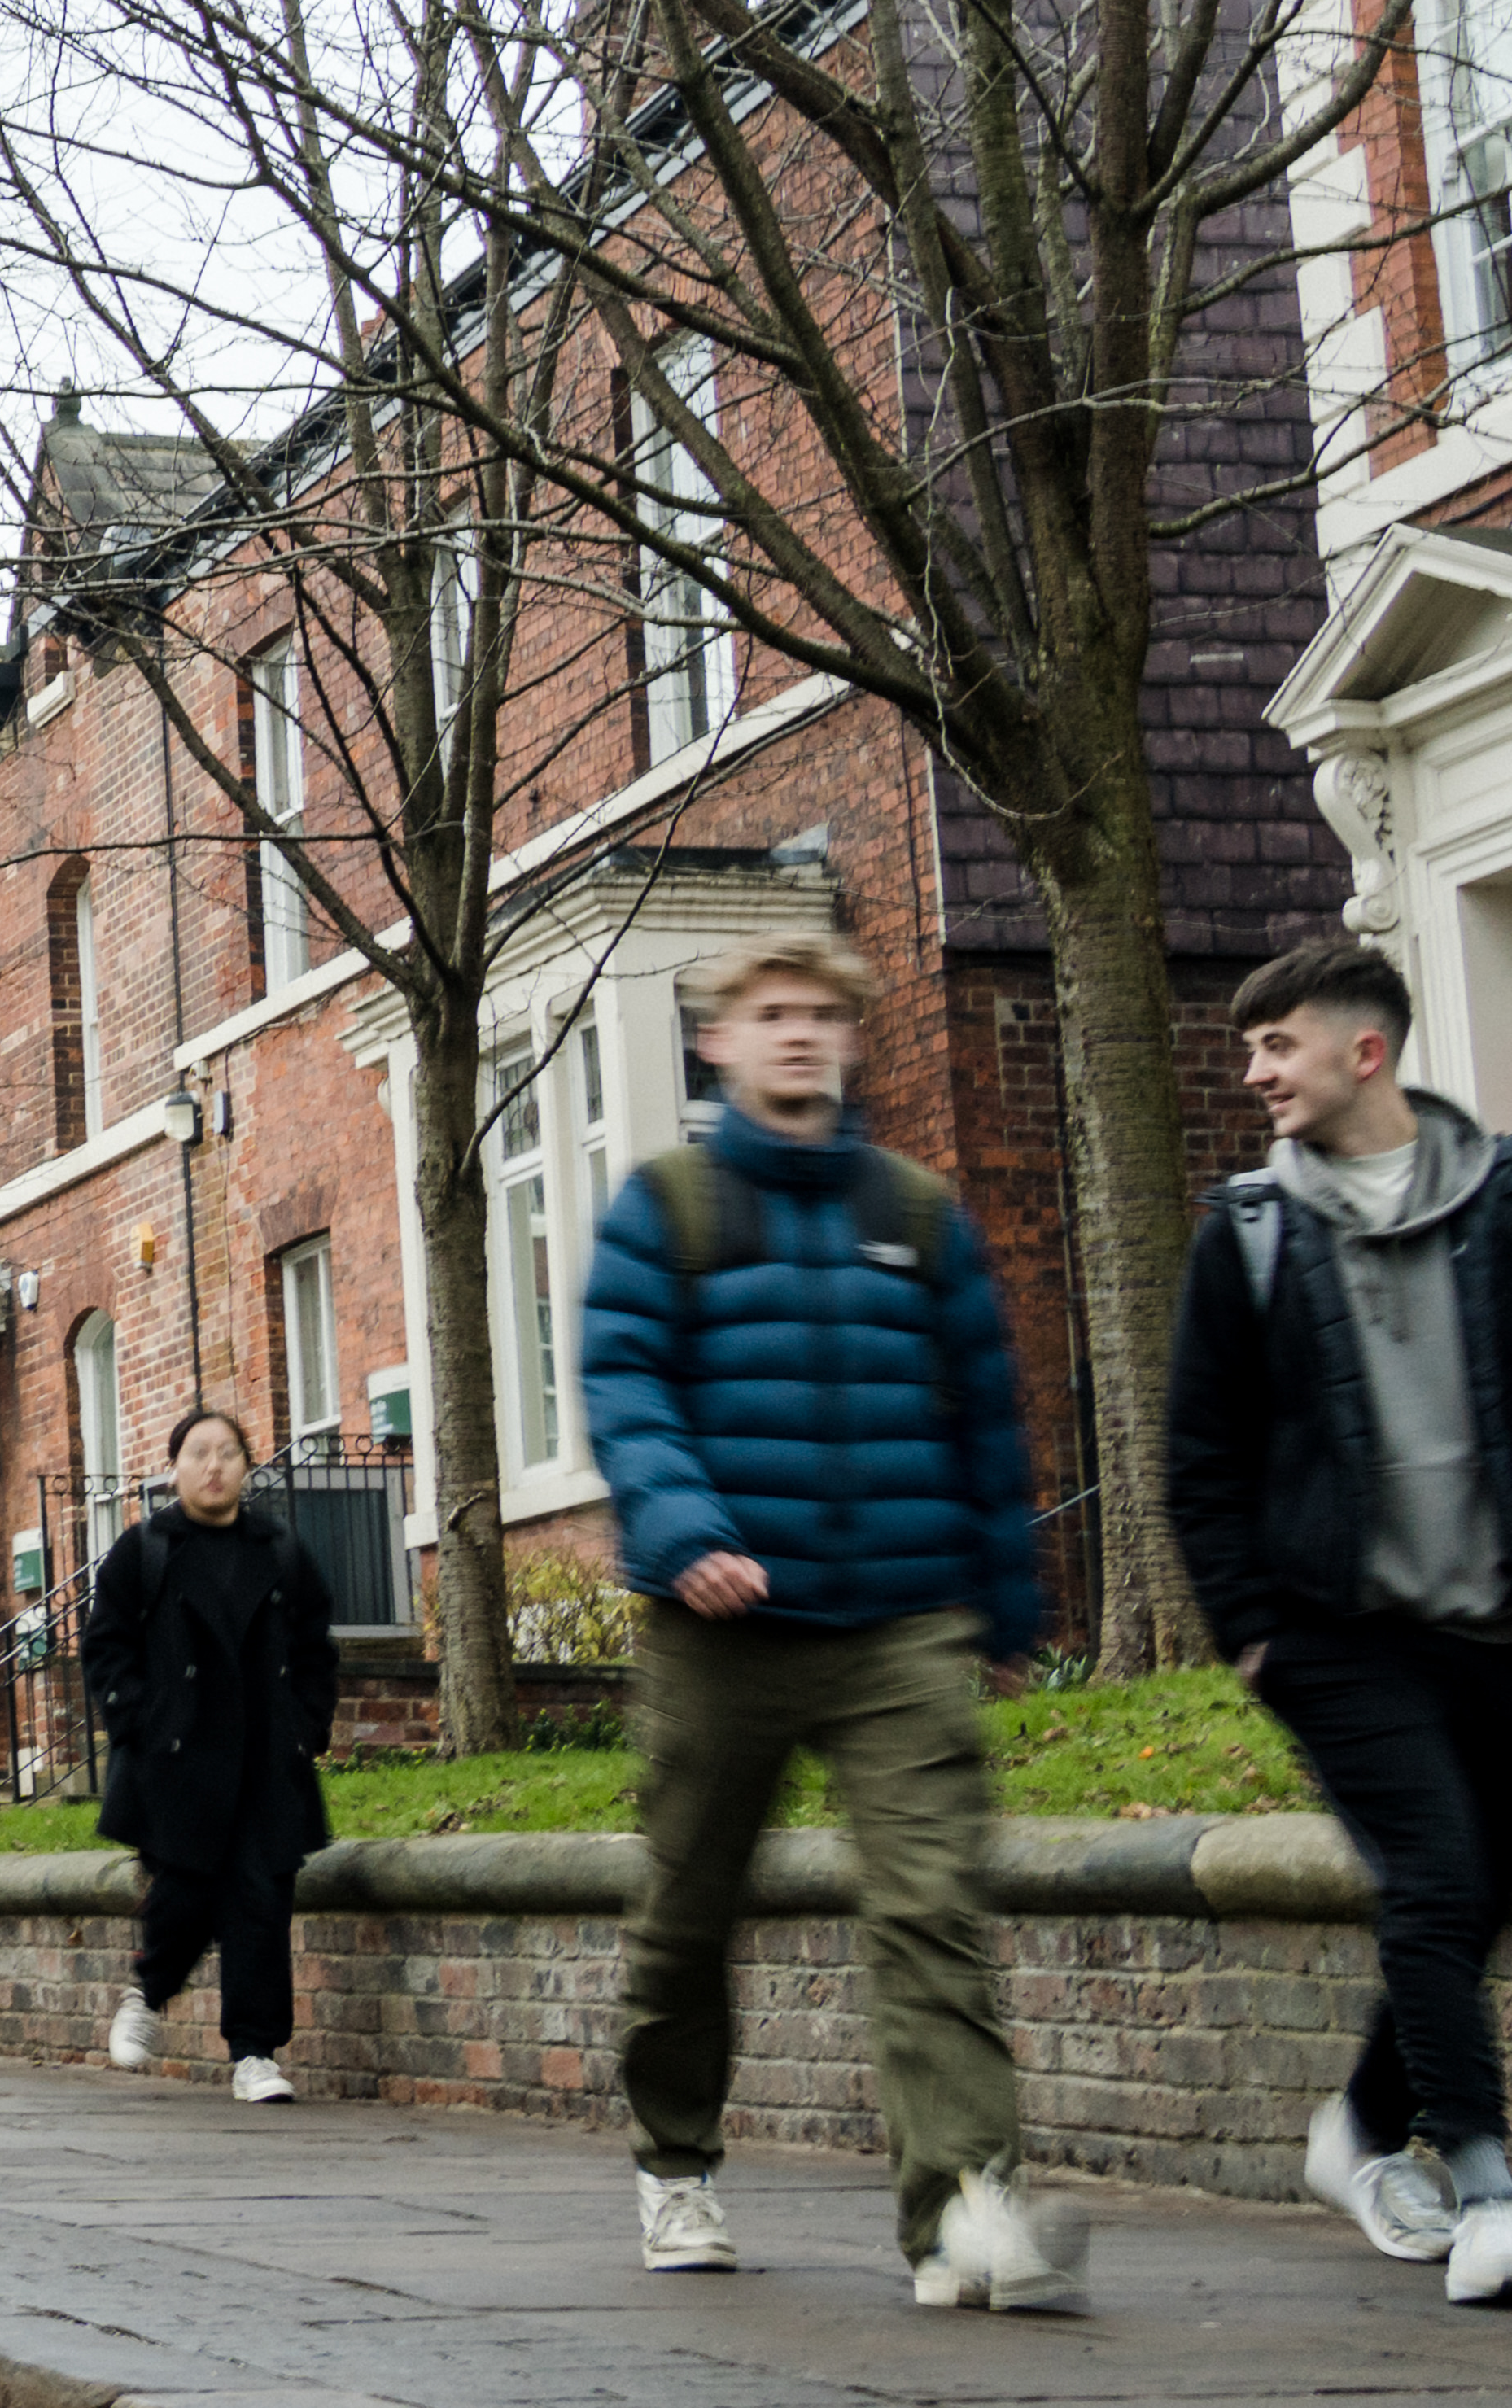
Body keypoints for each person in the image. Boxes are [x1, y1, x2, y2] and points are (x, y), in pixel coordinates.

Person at [580, 934, 1074, 2312]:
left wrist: (1004, 1598)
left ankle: (962, 2210)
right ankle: (675, 2160)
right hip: (718, 1625)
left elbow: (985, 1411)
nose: (799, 1036)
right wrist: (684, 1537)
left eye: (822, 1017)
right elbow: (626, 1390)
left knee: (933, 1911)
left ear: (851, 1044)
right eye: (771, 1015)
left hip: (900, 1623)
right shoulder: (663, 1207)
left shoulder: (917, 1211)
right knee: (688, 1913)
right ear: (719, 1046)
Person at [1169, 937, 1512, 2303]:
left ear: (1363, 1053)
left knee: (1490, 1882)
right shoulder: (1249, 1233)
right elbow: (1199, 1453)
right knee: (1434, 1876)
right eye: (1251, 1049)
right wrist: (1251, 1627)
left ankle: (1363, 2129)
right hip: (1334, 1630)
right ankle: (1484, 2179)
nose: (1254, 1072)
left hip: (1490, 1619)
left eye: (1277, 1046)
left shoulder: (1501, 1199)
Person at [81, 1412, 339, 2103]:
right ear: (175, 1468)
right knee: (185, 1893)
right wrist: (136, 1719)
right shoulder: (144, 1551)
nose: (214, 1465)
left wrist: (307, 1726)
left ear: (246, 1468)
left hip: (264, 1758)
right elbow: (106, 1647)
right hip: (177, 1757)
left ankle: (255, 2054)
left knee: (260, 1899)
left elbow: (316, 1646)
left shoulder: (280, 1550)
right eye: (199, 1453)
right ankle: (148, 1990)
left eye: (228, 1453)